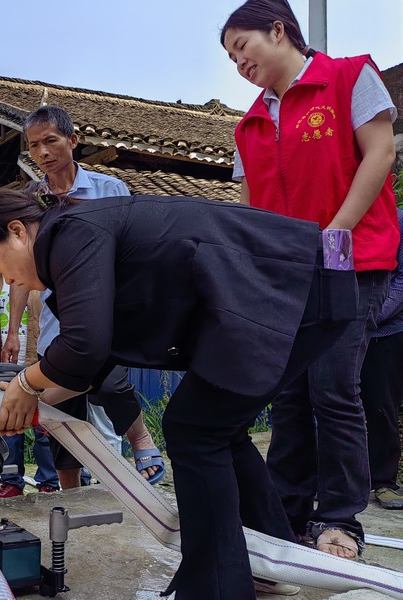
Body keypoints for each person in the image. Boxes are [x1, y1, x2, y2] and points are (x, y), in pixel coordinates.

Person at [0, 187, 357, 600]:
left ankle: (217, 588)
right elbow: (89, 368)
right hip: (298, 285)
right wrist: (34, 403)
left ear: (18, 231)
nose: (8, 280)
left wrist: (26, 384)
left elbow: (83, 345)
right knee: (217, 429)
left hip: (293, 283)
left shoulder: (71, 234)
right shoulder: (73, 242)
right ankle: (271, 560)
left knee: (194, 430)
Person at [221, 0, 399, 558]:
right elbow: (249, 210)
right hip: (286, 277)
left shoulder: (349, 76)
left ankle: (341, 516)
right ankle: (284, 512)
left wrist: (335, 236)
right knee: (289, 393)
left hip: (355, 263)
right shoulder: (247, 124)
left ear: (278, 30)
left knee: (332, 386)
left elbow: (381, 152)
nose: (237, 63)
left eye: (241, 47)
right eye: (229, 57)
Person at [7, 105, 165, 489]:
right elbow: (20, 274)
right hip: (55, 320)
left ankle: (142, 439)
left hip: (106, 313)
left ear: (72, 141)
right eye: (34, 146)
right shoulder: (30, 202)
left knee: (111, 383)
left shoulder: (109, 191)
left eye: (51, 141)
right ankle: (70, 491)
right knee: (61, 409)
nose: (43, 153)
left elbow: (134, 251)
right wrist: (13, 330)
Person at [0, 272, 60, 498]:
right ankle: (11, 482)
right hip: (2, 364)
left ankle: (49, 482)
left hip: (38, 360)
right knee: (8, 423)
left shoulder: (38, 270)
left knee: (43, 425)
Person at [360, 207, 403, 510]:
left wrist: (369, 317)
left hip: (384, 331)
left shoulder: (398, 219)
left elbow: (401, 280)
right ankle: (332, 480)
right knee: (329, 407)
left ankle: (384, 481)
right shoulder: (338, 211)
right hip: (337, 327)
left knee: (381, 405)